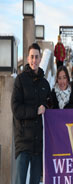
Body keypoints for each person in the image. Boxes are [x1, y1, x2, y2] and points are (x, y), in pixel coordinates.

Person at [11, 43, 51, 184]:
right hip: (23, 142)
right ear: (28, 59)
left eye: (37, 57)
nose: (34, 60)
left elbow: (50, 105)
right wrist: (35, 111)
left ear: (40, 59)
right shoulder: (20, 80)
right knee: (20, 181)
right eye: (32, 57)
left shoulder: (45, 84)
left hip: (38, 143)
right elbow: (16, 108)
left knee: (35, 181)